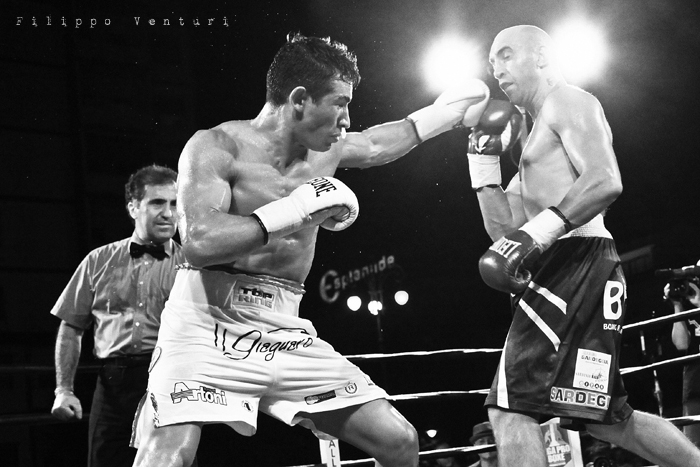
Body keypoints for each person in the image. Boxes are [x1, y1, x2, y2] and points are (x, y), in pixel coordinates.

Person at [130, 33, 491, 467]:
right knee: (167, 458)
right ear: (300, 99)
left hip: (284, 325)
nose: (346, 119)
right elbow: (200, 242)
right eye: (340, 103)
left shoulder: (328, 151)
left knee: (399, 442)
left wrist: (445, 114)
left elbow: (376, 144)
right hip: (205, 322)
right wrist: (295, 210)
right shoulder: (216, 146)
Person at [466, 25, 700, 467]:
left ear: (541, 57)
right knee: (608, 420)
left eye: (507, 55)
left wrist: (535, 235)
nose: (496, 69)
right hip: (574, 267)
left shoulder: (568, 101)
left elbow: (605, 179)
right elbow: (506, 234)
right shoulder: (532, 142)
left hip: (574, 264)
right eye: (492, 61)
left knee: (509, 409)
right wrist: (482, 166)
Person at [50, 164, 184, 467]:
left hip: (170, 380)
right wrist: (63, 390)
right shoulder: (98, 260)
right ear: (133, 207)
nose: (168, 213)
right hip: (112, 384)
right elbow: (71, 327)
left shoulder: (191, 266)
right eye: (157, 203)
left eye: (175, 204)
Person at [666, 266, 700, 447]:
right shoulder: (689, 306)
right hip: (695, 387)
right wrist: (677, 305)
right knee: (694, 447)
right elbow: (681, 344)